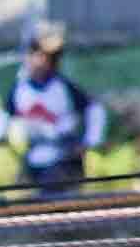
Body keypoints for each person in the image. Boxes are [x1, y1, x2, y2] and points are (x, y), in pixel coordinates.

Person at [6, 24, 106, 198]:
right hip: (33, 158)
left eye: (44, 57)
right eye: (34, 55)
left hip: (63, 159)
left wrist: (89, 141)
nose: (37, 62)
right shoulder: (20, 89)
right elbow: (7, 115)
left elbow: (95, 109)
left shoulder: (64, 87)